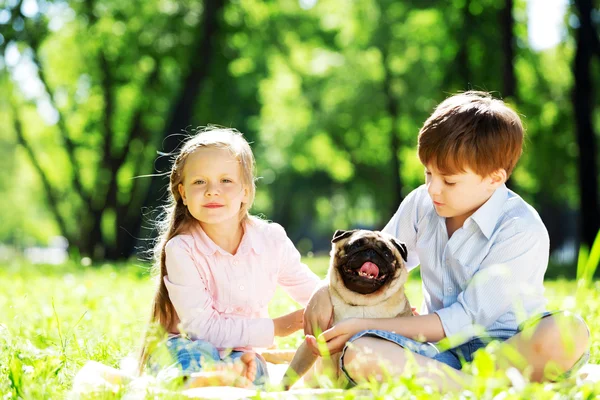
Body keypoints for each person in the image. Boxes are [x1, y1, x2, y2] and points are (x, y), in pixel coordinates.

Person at [303, 91, 591, 390]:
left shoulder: (520, 229)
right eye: (428, 173)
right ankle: (476, 387)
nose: (433, 189)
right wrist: (325, 290)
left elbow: (465, 318)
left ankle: (463, 386)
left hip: (509, 350)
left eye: (449, 181)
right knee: (360, 352)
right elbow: (377, 259)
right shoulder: (420, 204)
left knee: (567, 330)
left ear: (495, 178)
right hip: (437, 353)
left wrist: (364, 324)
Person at [139, 127, 321, 388]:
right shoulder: (182, 249)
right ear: (183, 194)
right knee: (188, 361)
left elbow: (314, 293)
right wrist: (279, 327)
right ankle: (208, 380)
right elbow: (203, 328)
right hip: (185, 342)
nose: (213, 190)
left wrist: (338, 310)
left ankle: (231, 376)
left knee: (252, 369)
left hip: (243, 351)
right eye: (199, 182)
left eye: (226, 181)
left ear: (246, 191)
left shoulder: (271, 239)